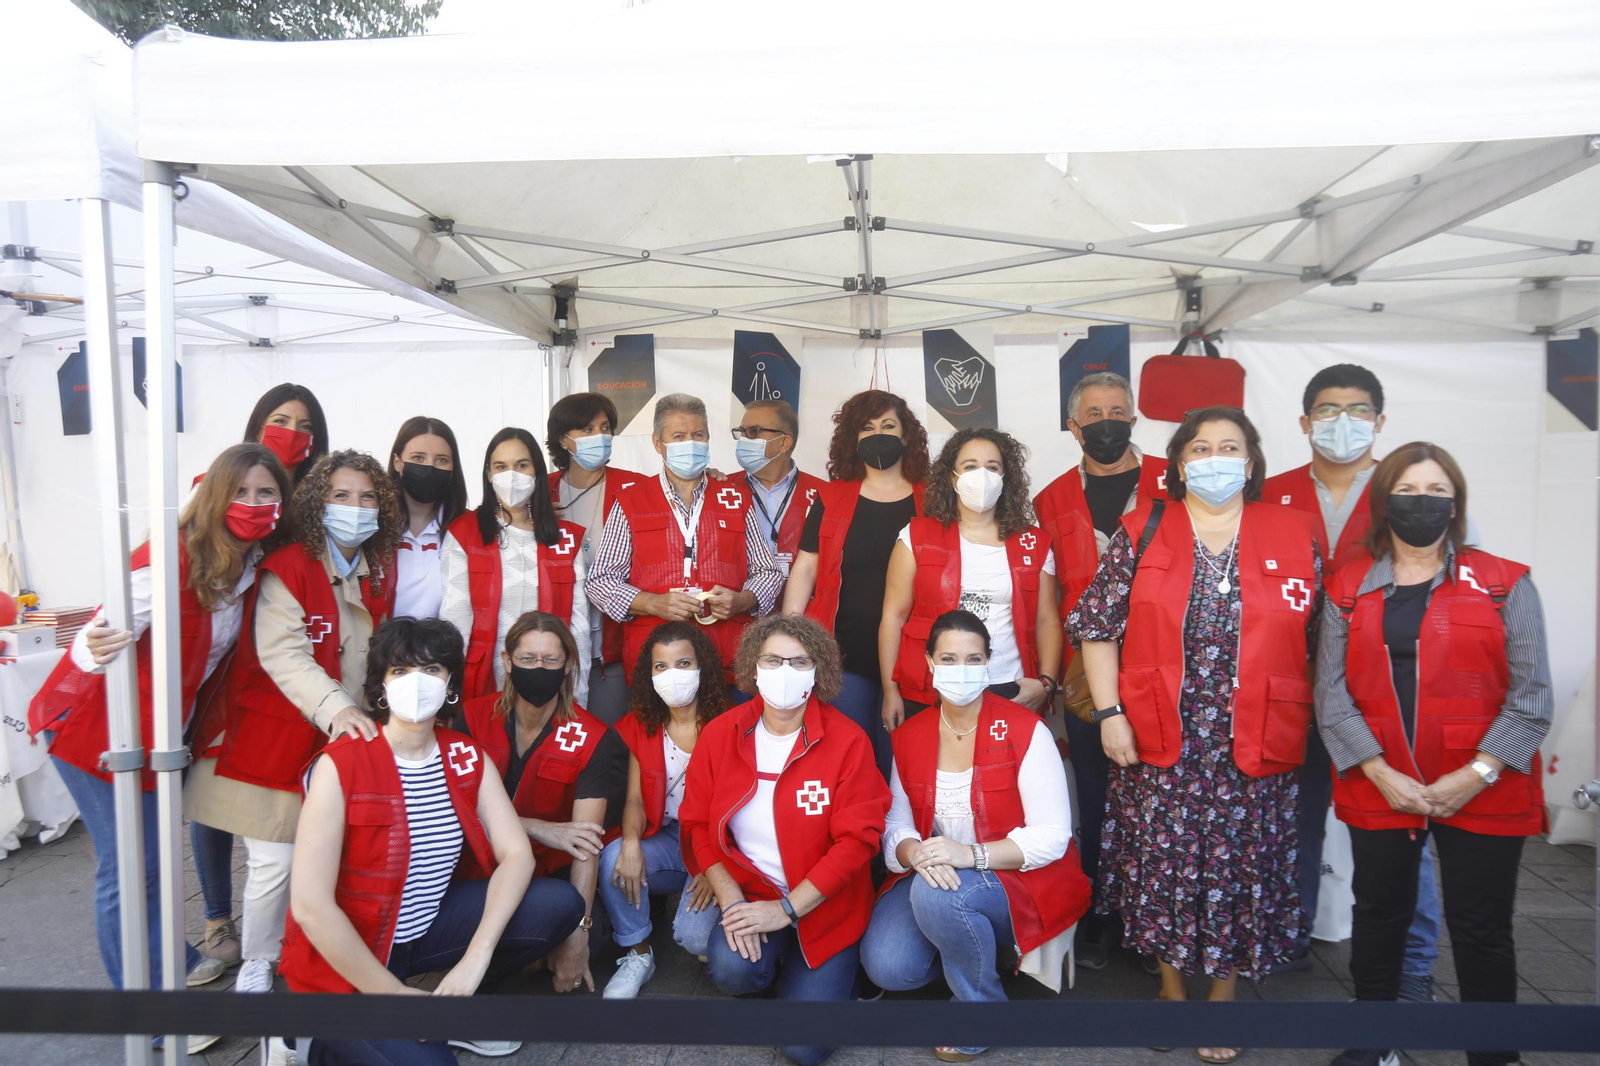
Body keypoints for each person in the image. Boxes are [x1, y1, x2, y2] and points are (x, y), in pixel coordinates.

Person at [1070, 406, 1321, 1066]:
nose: (1215, 459)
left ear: (1252, 461)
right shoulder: (1144, 529)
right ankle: (1172, 992)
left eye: (1229, 447)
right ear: (1179, 465)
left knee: (1242, 869)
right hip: (1160, 736)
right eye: (1200, 448)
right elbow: (1096, 627)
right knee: (1163, 868)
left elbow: (1326, 638)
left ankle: (1223, 998)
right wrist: (1109, 713)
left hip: (1256, 738)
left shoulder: (1295, 533)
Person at [27, 443, 292, 1053]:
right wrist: (89, 646)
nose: (253, 503)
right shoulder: (168, 561)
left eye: (266, 493)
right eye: (241, 492)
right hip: (98, 735)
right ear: (214, 495)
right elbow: (98, 637)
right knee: (132, 867)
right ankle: (145, 1013)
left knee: (153, 862)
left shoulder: (250, 566)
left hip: (160, 740)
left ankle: (170, 963)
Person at [1315, 442, 1552, 1066]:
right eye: (1408, 491)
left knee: (1481, 928)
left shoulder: (1505, 582)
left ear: (1456, 504)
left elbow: (1532, 697)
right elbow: (1330, 693)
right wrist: (1379, 771)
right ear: (1384, 502)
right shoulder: (1347, 587)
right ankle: (1373, 1046)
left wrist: (1475, 774)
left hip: (1486, 784)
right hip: (1382, 780)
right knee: (1379, 916)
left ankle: (1494, 1057)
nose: (1422, 503)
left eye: (1436, 492)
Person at [280, 617, 584, 1066]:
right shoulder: (341, 764)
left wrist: (474, 960)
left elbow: (516, 854)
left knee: (557, 903)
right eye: (400, 671)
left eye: (431, 670)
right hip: (344, 961)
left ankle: (451, 1004)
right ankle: (307, 1037)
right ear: (382, 686)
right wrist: (395, 997)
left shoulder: (464, 755)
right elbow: (310, 906)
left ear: (449, 684)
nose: (417, 683)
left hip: (418, 934)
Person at [194, 449, 401, 997]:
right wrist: (340, 709)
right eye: (341, 495)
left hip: (343, 737)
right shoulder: (287, 567)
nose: (356, 507)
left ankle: (312, 952)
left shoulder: (377, 568)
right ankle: (259, 959)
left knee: (332, 855)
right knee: (275, 858)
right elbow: (283, 653)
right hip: (278, 734)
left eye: (368, 497)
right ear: (317, 504)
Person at [862, 610, 1089, 1063]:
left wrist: (968, 854)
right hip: (938, 870)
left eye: (973, 659)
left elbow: (1052, 836)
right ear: (929, 663)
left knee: (938, 898)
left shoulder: (1026, 729)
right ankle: (972, 948)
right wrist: (915, 852)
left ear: (988, 663)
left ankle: (981, 1010)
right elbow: (897, 823)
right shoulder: (910, 735)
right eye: (948, 659)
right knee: (890, 967)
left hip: (1016, 876)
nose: (960, 670)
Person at [679, 614, 889, 1066]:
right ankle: (783, 980)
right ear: (753, 667)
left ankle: (835, 980)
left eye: (799, 662)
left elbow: (857, 843)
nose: (785, 672)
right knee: (731, 969)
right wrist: (731, 901)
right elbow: (697, 824)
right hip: (753, 894)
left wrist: (788, 910)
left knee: (802, 1050)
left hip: (826, 907)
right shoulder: (721, 734)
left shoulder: (848, 741)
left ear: (818, 671)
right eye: (772, 660)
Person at [1262, 363, 1400, 974]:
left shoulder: (1407, 491)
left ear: (1379, 420)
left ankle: (1404, 959)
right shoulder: (1272, 493)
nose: (1343, 422)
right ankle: (1289, 935)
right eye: (1327, 410)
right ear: (1304, 422)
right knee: (1294, 817)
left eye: (1358, 410)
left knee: (1396, 823)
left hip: (1382, 688)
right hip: (1293, 686)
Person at [1030, 370, 1165, 970]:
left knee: (1161, 801)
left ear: (1133, 419)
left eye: (1117, 412)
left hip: (1166, 670)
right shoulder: (1051, 499)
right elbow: (1047, 600)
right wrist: (1050, 676)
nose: (1107, 423)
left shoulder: (1174, 481)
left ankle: (1155, 923)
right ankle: (1102, 919)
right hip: (1087, 678)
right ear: (1073, 425)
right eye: (1094, 414)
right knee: (1095, 796)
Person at [460, 611, 626, 996]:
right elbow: (455, 811)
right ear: (507, 661)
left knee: (592, 935)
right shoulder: (472, 718)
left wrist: (578, 932)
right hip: (479, 869)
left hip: (546, 875)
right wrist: (538, 828)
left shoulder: (592, 737)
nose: (539, 669)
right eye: (528, 659)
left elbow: (585, 842)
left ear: (568, 665)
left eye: (551, 660)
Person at [585, 393, 786, 691]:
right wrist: (653, 603)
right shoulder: (632, 500)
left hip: (725, 658)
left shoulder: (734, 497)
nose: (690, 443)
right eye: (678, 436)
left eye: (698, 435)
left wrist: (742, 600)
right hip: (656, 662)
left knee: (728, 723)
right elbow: (600, 581)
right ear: (658, 443)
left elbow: (768, 572)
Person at [781, 389, 929, 775]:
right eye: (867, 427)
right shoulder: (831, 497)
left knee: (907, 767)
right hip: (844, 658)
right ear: (853, 437)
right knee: (852, 767)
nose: (878, 434)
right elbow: (806, 568)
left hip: (916, 661)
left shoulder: (933, 499)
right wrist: (790, 634)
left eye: (888, 426)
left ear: (906, 435)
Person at [880, 428, 1061, 733]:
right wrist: (890, 690)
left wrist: (1046, 683)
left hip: (1009, 686)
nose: (982, 476)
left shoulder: (1035, 543)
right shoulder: (916, 536)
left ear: (1005, 477)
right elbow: (893, 616)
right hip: (931, 687)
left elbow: (1047, 620)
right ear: (952, 478)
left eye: (992, 467)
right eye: (970, 466)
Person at [595, 620, 730, 998]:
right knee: (614, 857)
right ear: (649, 675)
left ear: (702, 666)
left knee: (695, 939)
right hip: (670, 841)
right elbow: (635, 800)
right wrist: (631, 843)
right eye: (661, 666)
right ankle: (639, 953)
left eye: (683, 663)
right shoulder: (643, 725)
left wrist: (714, 868)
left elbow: (740, 813)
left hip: (719, 846)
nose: (673, 674)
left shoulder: (729, 725)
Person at [440, 426, 591, 704]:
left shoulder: (566, 537)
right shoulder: (464, 534)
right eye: (501, 466)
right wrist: (448, 694)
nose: (512, 475)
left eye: (522, 465)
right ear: (489, 474)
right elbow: (455, 622)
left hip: (549, 682)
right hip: (484, 683)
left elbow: (579, 629)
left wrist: (578, 699)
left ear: (537, 471)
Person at [546, 392, 647, 725]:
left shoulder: (636, 488)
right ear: (564, 439)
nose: (599, 437)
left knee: (608, 740)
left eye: (605, 428)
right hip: (551, 649)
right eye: (587, 429)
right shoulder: (539, 493)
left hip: (611, 652)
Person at [728, 399, 827, 594]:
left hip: (803, 608)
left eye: (753, 431)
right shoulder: (724, 489)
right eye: (742, 431)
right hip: (736, 605)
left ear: (784, 443)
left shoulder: (823, 494)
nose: (743, 439)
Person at [387, 416, 469, 620]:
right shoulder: (373, 528)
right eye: (418, 458)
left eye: (441, 460)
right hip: (383, 640)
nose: (430, 468)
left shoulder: (468, 528)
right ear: (398, 462)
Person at [242, 383, 330, 486]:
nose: (292, 431)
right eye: (280, 421)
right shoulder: (234, 486)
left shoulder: (327, 491)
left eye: (305, 426)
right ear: (257, 429)